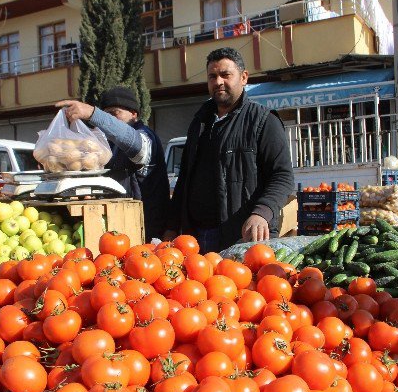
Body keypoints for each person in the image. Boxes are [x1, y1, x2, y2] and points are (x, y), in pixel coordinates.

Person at [163, 47, 294, 253]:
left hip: (243, 236)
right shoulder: (199, 123)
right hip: (196, 237)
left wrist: (262, 213)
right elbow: (184, 180)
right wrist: (171, 228)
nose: (218, 82)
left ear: (243, 78)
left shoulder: (264, 121)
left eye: (225, 75)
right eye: (212, 76)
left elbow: (282, 176)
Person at [55, 87, 170, 241]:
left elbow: (136, 145)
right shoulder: (105, 146)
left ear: (134, 114)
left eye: (115, 114)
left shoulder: (145, 136)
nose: (109, 121)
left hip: (146, 233)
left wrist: (93, 114)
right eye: (106, 114)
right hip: (116, 233)